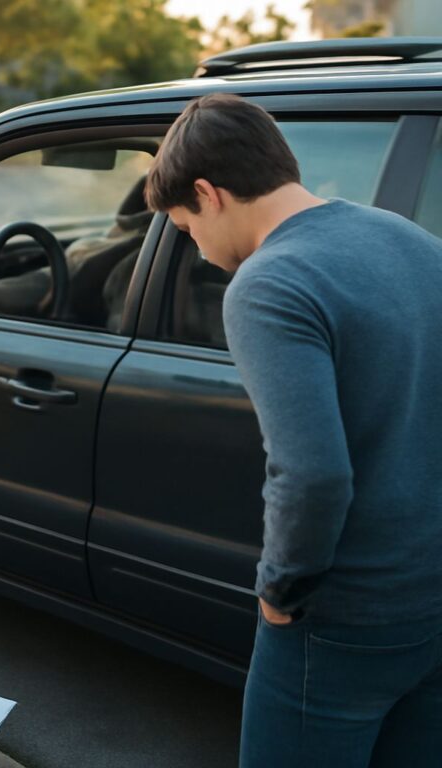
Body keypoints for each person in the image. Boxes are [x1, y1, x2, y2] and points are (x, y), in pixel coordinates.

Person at [144, 92, 442, 767]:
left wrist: (282, 589)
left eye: (186, 228)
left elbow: (311, 474)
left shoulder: (269, 282)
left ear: (207, 193)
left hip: (346, 615)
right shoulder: (410, 238)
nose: (196, 249)